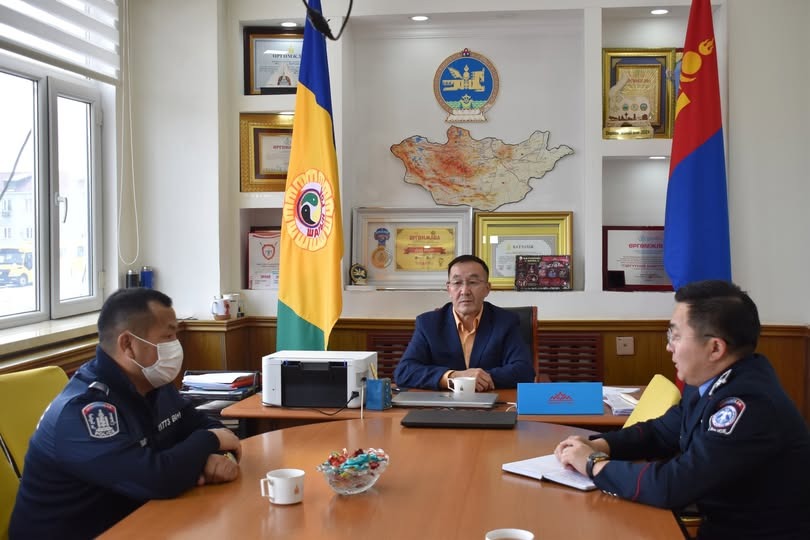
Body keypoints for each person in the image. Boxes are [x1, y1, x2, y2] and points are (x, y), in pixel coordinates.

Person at [554, 280, 810, 540]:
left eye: (675, 336)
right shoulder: (711, 382)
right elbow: (660, 432)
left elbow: (673, 485)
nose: (669, 347)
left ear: (715, 348)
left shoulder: (749, 405)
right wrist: (599, 445)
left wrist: (593, 464)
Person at [9, 288, 242, 540]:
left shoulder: (153, 383)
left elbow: (200, 424)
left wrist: (218, 456)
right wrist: (211, 442)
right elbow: (156, 479)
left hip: (136, 521)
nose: (176, 345)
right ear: (128, 344)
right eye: (168, 336)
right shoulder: (85, 411)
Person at [393, 254, 535, 391]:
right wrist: (453, 377)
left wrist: (480, 378)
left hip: (491, 400)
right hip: (442, 403)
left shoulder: (506, 322)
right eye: (457, 283)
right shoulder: (428, 324)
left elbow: (524, 371)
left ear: (487, 289)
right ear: (449, 289)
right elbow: (404, 372)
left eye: (473, 282)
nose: (465, 291)